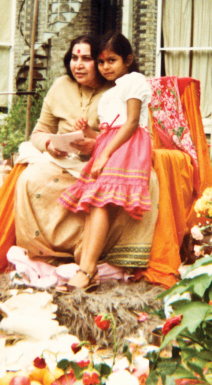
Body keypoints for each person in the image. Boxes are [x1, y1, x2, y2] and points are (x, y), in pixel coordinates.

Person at [14, 34, 158, 273]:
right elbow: (39, 131)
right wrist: (49, 143)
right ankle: (43, 252)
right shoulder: (61, 86)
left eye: (87, 59)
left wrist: (95, 147)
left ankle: (95, 255)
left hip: (108, 160)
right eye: (74, 57)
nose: (78, 64)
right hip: (61, 160)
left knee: (119, 186)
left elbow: (138, 130)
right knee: (28, 179)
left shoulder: (119, 88)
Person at [58, 33, 152, 290]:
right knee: (92, 200)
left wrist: (106, 154)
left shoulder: (135, 81)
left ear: (128, 60)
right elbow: (109, 131)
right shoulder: (111, 93)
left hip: (128, 146)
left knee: (98, 199)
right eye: (101, 62)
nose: (105, 67)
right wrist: (89, 133)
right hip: (112, 143)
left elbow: (131, 123)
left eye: (112, 60)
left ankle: (87, 268)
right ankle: (87, 267)